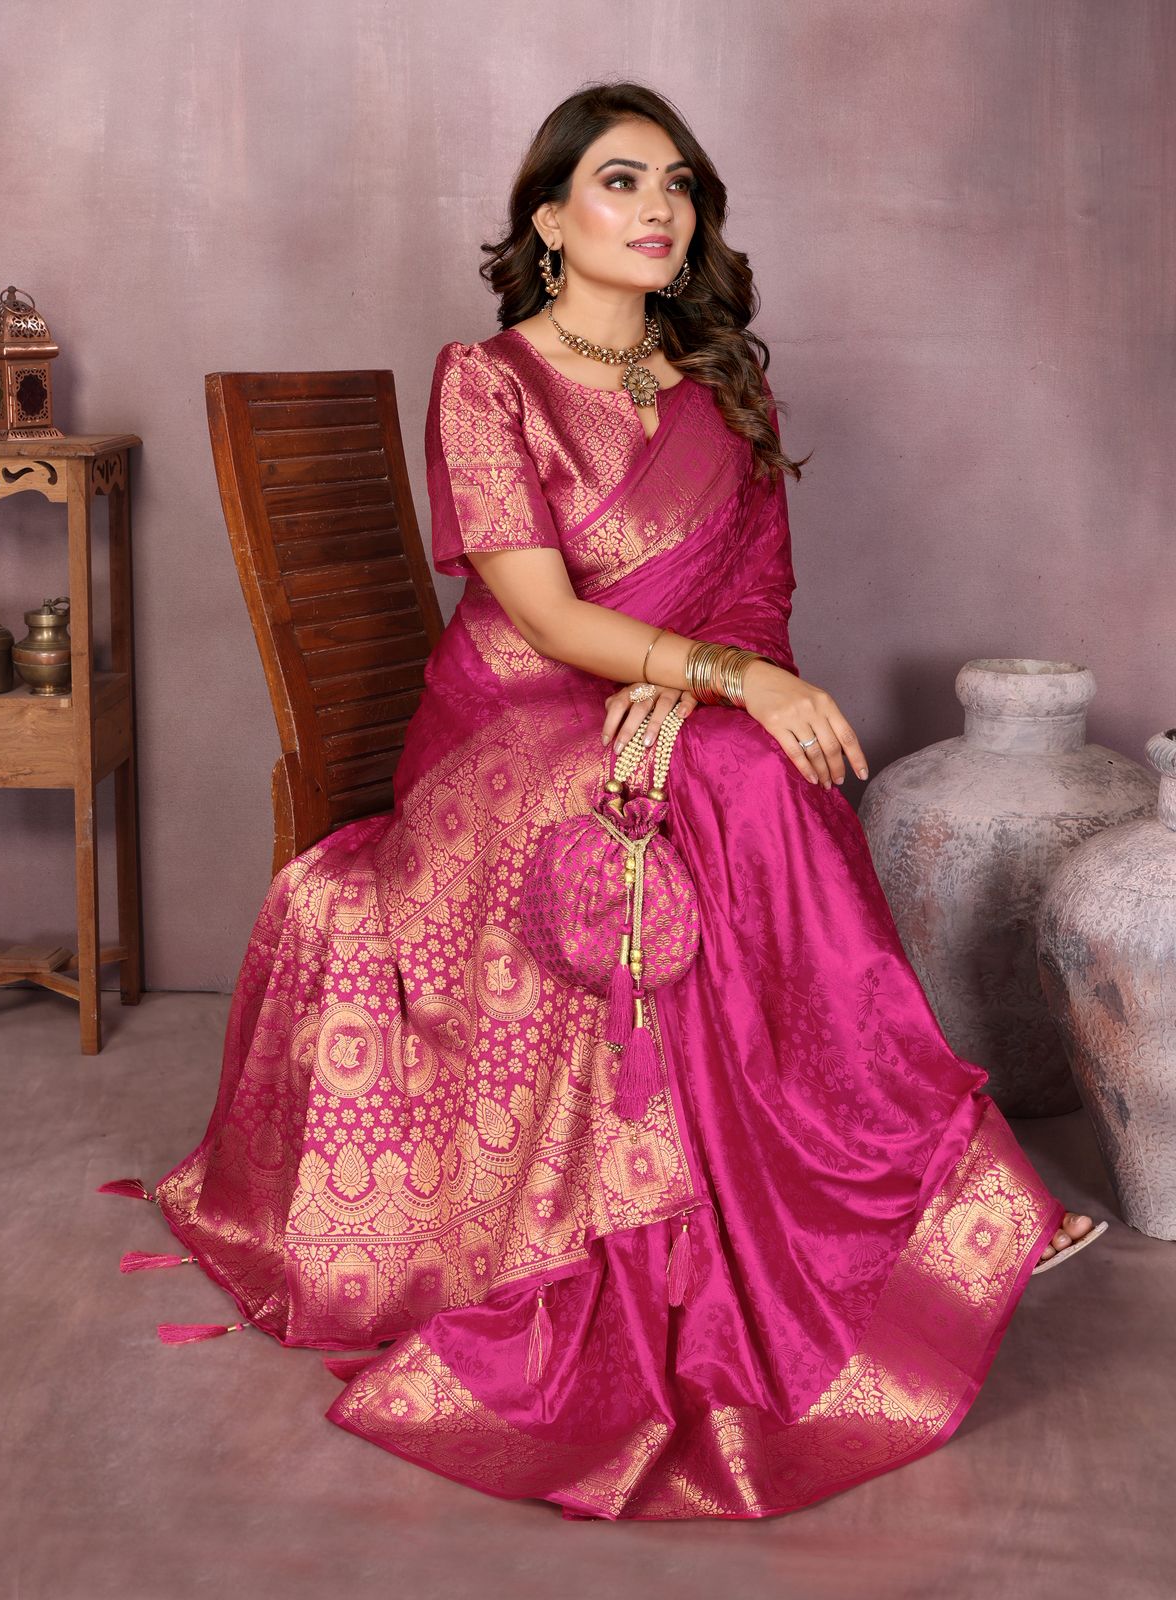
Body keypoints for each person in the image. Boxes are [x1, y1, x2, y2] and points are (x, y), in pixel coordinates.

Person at [101, 81, 1105, 1522]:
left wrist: (707, 683)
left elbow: (757, 595)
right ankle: (931, 1170)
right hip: (508, 724)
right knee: (752, 762)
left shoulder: (720, 388)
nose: (658, 210)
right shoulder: (488, 379)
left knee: (754, 771)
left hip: (662, 699)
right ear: (549, 219)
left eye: (678, 185)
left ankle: (887, 1184)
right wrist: (723, 682)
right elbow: (546, 616)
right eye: (621, 182)